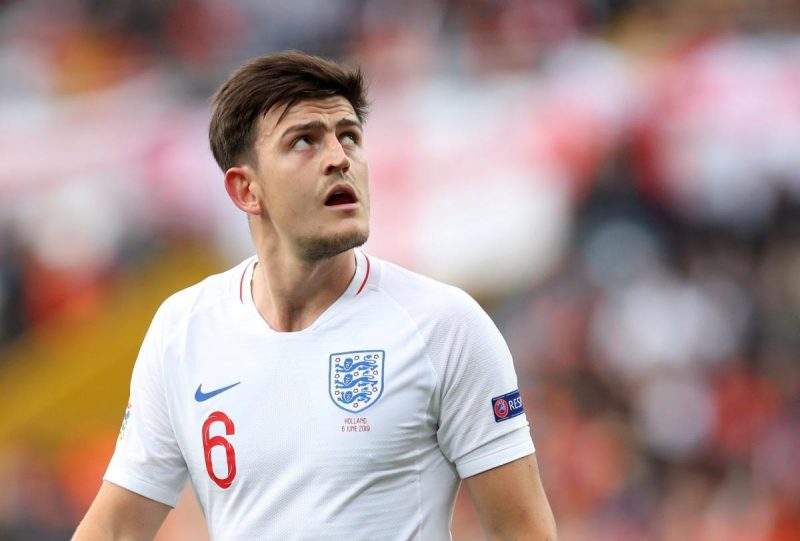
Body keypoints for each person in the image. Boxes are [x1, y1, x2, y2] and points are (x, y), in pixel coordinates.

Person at [72, 50, 557, 541]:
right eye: (304, 140)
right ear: (246, 190)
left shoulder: (444, 325)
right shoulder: (183, 329)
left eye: (349, 136)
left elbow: (523, 530)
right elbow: (116, 527)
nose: (339, 158)